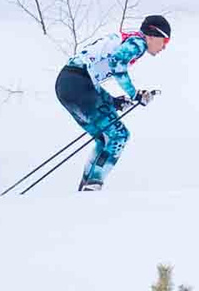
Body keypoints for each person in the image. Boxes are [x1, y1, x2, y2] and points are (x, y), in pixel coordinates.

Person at [58, 15, 172, 193]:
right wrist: (135, 94)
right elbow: (117, 64)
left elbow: (97, 71)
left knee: (105, 138)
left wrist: (113, 102)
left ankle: (86, 189)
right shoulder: (137, 43)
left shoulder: (128, 40)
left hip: (69, 83)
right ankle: (92, 188)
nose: (165, 47)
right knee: (119, 135)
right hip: (78, 83)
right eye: (164, 40)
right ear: (152, 35)